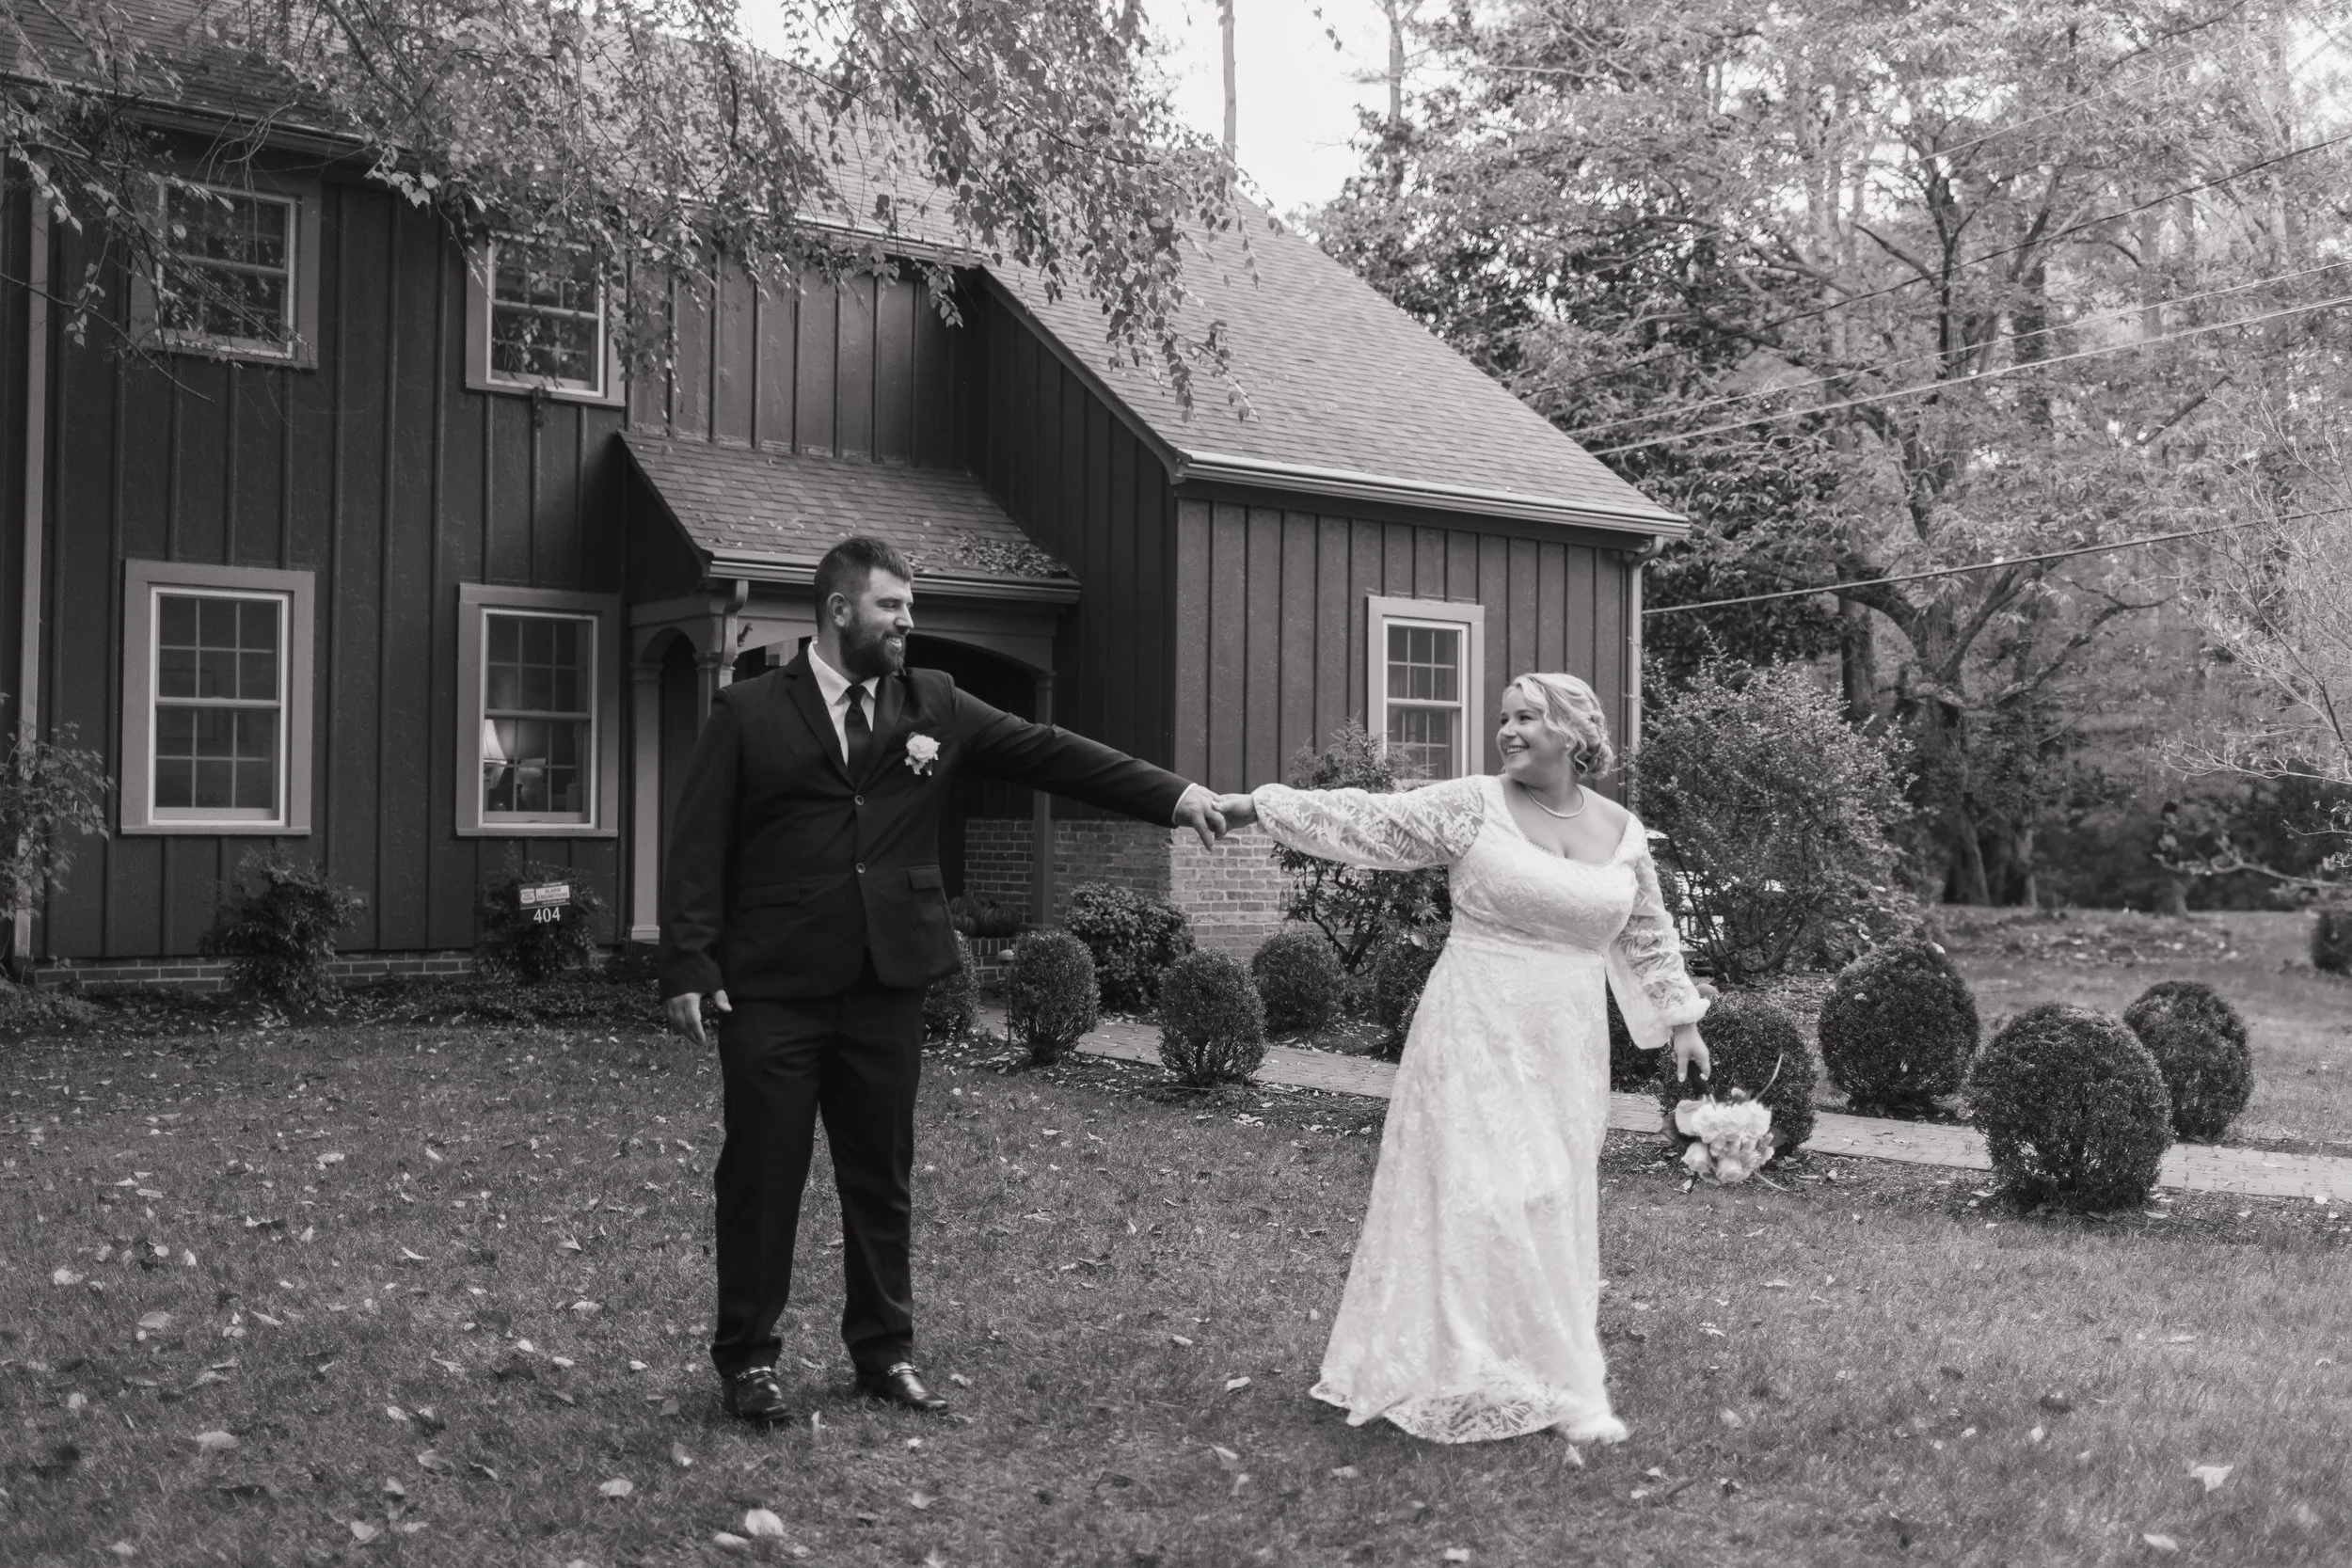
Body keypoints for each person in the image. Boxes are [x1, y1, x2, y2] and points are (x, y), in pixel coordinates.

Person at [660, 535, 1229, 1425]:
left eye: (911, 607)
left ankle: (883, 1351)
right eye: (892, 606)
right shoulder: (747, 712)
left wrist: (1176, 794)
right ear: (840, 608)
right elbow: (696, 842)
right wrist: (690, 960)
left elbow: (1052, 751)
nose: (907, 623)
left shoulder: (936, 704)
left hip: (887, 979)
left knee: (880, 1173)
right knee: (762, 1173)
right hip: (772, 984)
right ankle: (748, 1360)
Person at [1214, 673, 1710, 1445]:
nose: (1508, 731)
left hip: (1566, 1037)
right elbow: (1368, 819)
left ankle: (1548, 1369)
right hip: (1474, 1019)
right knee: (1478, 1187)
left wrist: (1681, 1018)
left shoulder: (1622, 828)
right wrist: (1261, 806)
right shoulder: (1471, 803)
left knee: (1549, 1190)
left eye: (1527, 718)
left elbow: (1646, 927)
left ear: (1574, 736)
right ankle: (1473, 1366)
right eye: (1504, 718)